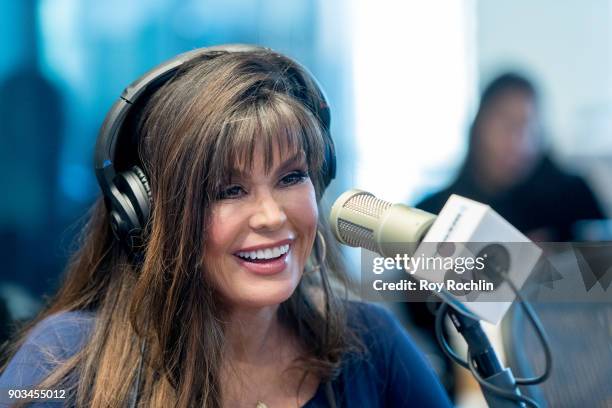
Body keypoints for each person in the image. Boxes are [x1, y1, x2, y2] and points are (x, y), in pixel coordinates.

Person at [0, 46, 452, 408]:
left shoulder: (369, 343)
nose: (272, 216)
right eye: (228, 191)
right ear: (148, 213)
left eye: (292, 177)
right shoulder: (65, 360)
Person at [418, 72, 605, 241]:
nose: (517, 142)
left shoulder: (575, 198)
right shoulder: (431, 214)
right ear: (477, 127)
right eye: (506, 125)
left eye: (527, 126)